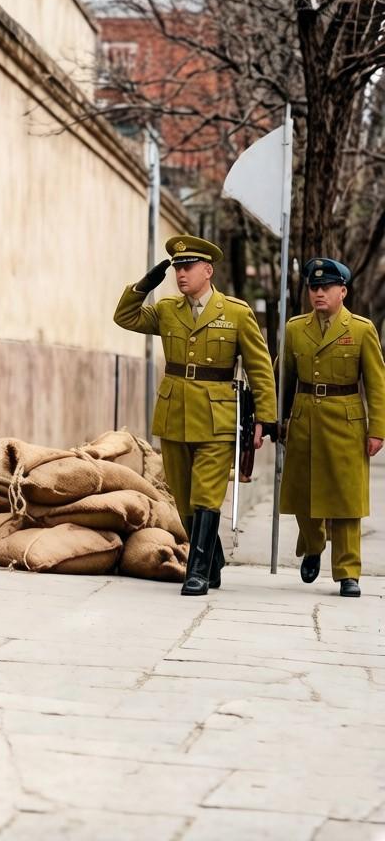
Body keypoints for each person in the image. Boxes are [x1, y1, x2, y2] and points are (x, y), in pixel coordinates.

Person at [113, 234, 277, 596]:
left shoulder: (236, 313)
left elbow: (260, 368)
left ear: (208, 271)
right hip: (174, 413)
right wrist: (143, 286)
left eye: (188, 267)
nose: (181, 274)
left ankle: (197, 572)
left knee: (206, 494)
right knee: (184, 497)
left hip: (218, 417)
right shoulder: (167, 309)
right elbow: (125, 317)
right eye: (177, 268)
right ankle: (213, 562)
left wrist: (264, 419)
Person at [280, 258, 385, 598]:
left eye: (326, 287)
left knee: (346, 499)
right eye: (314, 287)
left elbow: (377, 384)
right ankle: (313, 545)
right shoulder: (295, 329)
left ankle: (348, 572)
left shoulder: (361, 330)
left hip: (346, 420)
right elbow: (285, 379)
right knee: (303, 494)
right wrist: (275, 420)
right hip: (305, 418)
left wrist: (377, 429)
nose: (319, 293)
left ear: (343, 291)